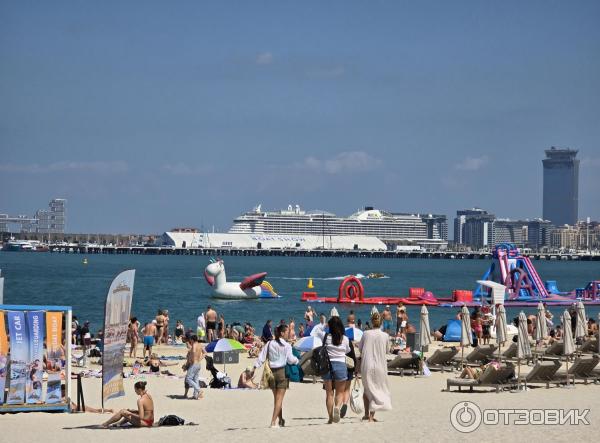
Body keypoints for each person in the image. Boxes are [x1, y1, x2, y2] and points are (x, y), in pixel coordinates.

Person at [253, 324, 298, 428]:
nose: (288, 334)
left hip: (271, 373)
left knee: (277, 399)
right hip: (282, 372)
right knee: (279, 399)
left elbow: (261, 357)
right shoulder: (286, 345)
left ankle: (281, 420)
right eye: (287, 332)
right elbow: (291, 360)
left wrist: (254, 368)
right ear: (282, 333)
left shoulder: (269, 343)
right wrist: (297, 360)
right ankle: (273, 422)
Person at [357, 310, 392, 422]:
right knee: (377, 389)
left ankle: (367, 414)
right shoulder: (385, 335)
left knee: (367, 389)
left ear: (372, 322)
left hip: (367, 364)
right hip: (380, 365)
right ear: (381, 322)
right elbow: (387, 351)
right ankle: (371, 416)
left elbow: (360, 348)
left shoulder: (366, 333)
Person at [315, 316, 351, 424]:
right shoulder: (345, 339)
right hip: (340, 365)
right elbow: (347, 350)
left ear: (329, 327)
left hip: (327, 366)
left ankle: (330, 418)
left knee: (329, 393)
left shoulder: (326, 336)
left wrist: (324, 324)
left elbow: (316, 331)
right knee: (340, 393)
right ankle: (337, 407)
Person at [184, 335, 205, 399]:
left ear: (192, 340)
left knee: (188, 378)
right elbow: (205, 353)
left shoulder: (194, 345)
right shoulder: (200, 345)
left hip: (194, 364)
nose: (190, 341)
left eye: (190, 340)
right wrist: (200, 359)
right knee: (196, 379)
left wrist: (192, 360)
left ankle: (199, 390)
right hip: (198, 364)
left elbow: (193, 352)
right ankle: (195, 395)